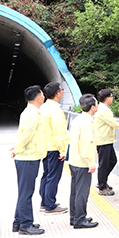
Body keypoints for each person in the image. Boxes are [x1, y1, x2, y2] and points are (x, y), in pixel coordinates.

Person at [11, 85, 47, 235]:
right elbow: (26, 135)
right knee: (26, 193)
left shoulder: (30, 112)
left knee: (24, 192)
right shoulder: (33, 115)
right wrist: (17, 149)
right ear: (38, 98)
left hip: (28, 157)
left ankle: (18, 222)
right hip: (27, 158)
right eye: (43, 95)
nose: (44, 97)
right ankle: (26, 225)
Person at [68, 94, 99, 229]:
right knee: (82, 191)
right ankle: (80, 219)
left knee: (75, 190)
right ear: (92, 107)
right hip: (82, 162)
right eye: (96, 104)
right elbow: (87, 144)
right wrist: (91, 162)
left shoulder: (78, 119)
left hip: (74, 160)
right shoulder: (87, 122)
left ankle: (74, 217)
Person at [38, 82, 69, 214]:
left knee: (46, 174)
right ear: (57, 93)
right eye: (61, 90)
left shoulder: (42, 108)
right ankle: (50, 205)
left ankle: (44, 202)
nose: (62, 92)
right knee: (53, 177)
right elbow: (59, 131)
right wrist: (62, 150)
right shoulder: (55, 110)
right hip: (54, 148)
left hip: (45, 147)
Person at [94, 89, 119, 196]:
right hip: (103, 140)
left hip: (107, 140)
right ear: (107, 98)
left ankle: (102, 181)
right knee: (104, 164)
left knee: (112, 161)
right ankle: (102, 186)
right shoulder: (102, 110)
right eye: (111, 96)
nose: (112, 98)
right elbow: (113, 123)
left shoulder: (104, 108)